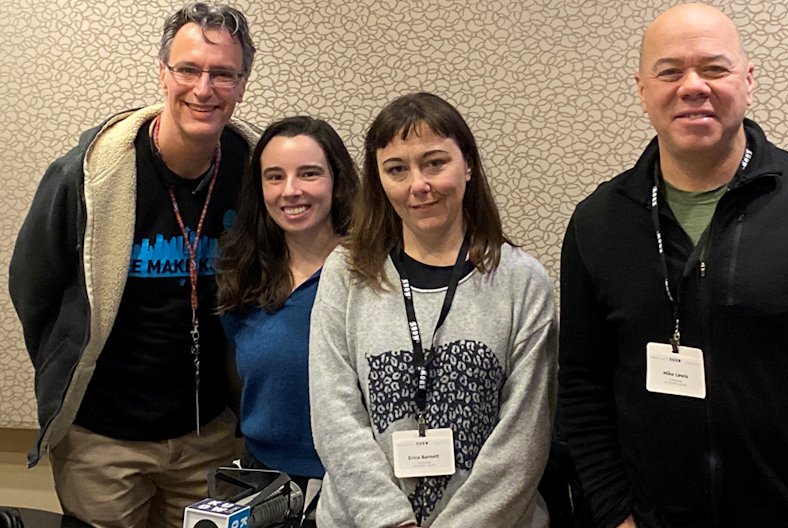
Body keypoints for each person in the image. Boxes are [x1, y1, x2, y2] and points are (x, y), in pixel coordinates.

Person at [558, 4, 788, 528]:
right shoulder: (597, 223)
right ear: (642, 90)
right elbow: (582, 383)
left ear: (747, 80)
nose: (692, 87)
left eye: (714, 68)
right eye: (669, 71)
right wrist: (615, 511)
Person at [8, 3, 260, 527]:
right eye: (188, 69)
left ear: (241, 84)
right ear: (162, 73)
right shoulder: (87, 174)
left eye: (223, 74)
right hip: (102, 440)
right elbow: (33, 289)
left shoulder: (254, 170)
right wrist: (64, 369)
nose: (203, 88)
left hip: (209, 434)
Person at [308, 92, 558, 528]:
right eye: (397, 169)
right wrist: (389, 520)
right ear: (379, 180)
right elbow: (334, 415)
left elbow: (525, 436)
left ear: (468, 165)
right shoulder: (346, 273)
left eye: (435, 162)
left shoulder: (522, 281)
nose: (417, 185)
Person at [216, 116, 359, 499]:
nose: (290, 191)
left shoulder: (372, 274)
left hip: (350, 484)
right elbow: (239, 379)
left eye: (309, 174)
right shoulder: (243, 273)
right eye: (275, 176)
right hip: (261, 478)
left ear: (337, 180)